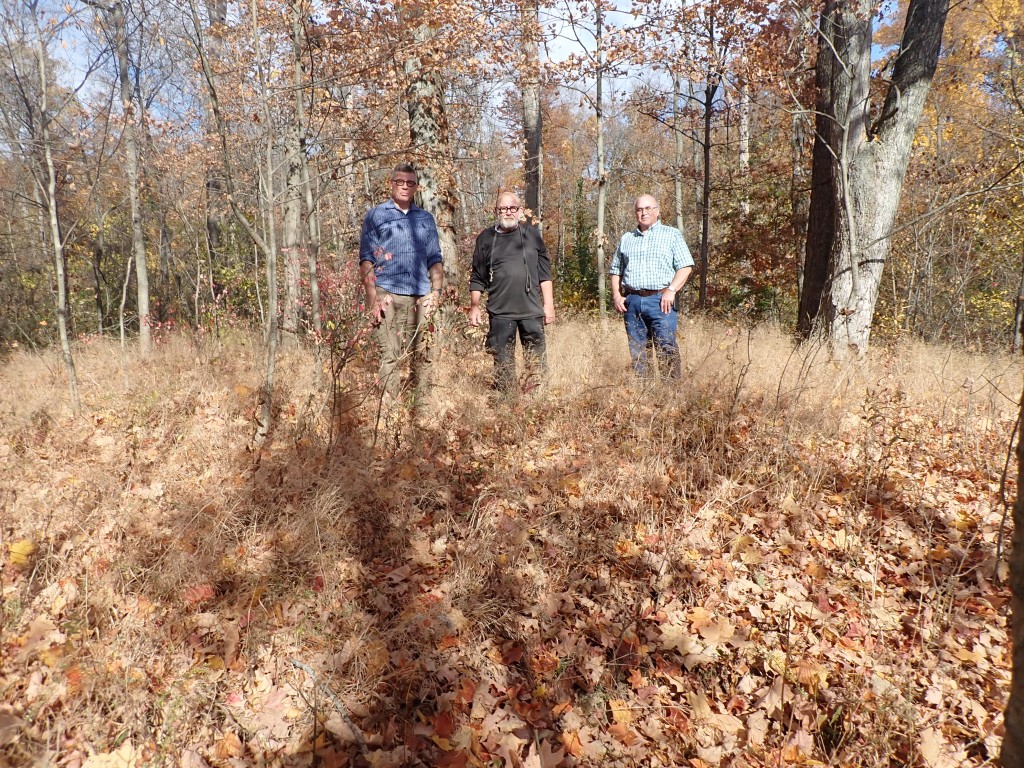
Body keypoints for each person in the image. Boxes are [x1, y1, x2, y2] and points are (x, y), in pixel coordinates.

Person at [359, 163, 444, 402]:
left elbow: (435, 259)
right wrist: (373, 297)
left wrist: (435, 294)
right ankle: (389, 413)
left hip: (421, 296)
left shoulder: (426, 219)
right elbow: (366, 259)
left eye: (410, 183)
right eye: (400, 182)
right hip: (388, 295)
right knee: (390, 356)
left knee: (423, 355)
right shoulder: (376, 215)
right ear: (391, 184)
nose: (405, 187)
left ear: (416, 187)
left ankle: (422, 410)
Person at [468, 191, 555, 393]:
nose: (508, 212)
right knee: (503, 366)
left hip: (531, 311)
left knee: (536, 366)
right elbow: (477, 276)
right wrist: (474, 307)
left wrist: (548, 305)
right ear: (496, 211)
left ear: (520, 211)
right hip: (500, 312)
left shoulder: (532, 234)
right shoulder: (485, 238)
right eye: (503, 208)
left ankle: (537, 404)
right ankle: (507, 405)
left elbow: (544, 273)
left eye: (512, 208)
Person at [610, 194, 693, 378]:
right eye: (639, 209)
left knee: (666, 348)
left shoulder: (671, 235)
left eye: (648, 208)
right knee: (638, 351)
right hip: (632, 302)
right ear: (635, 213)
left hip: (661, 301)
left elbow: (685, 266)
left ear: (657, 211)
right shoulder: (627, 238)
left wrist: (671, 291)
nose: (644, 213)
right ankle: (644, 395)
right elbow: (616, 270)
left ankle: (670, 395)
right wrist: (616, 295)